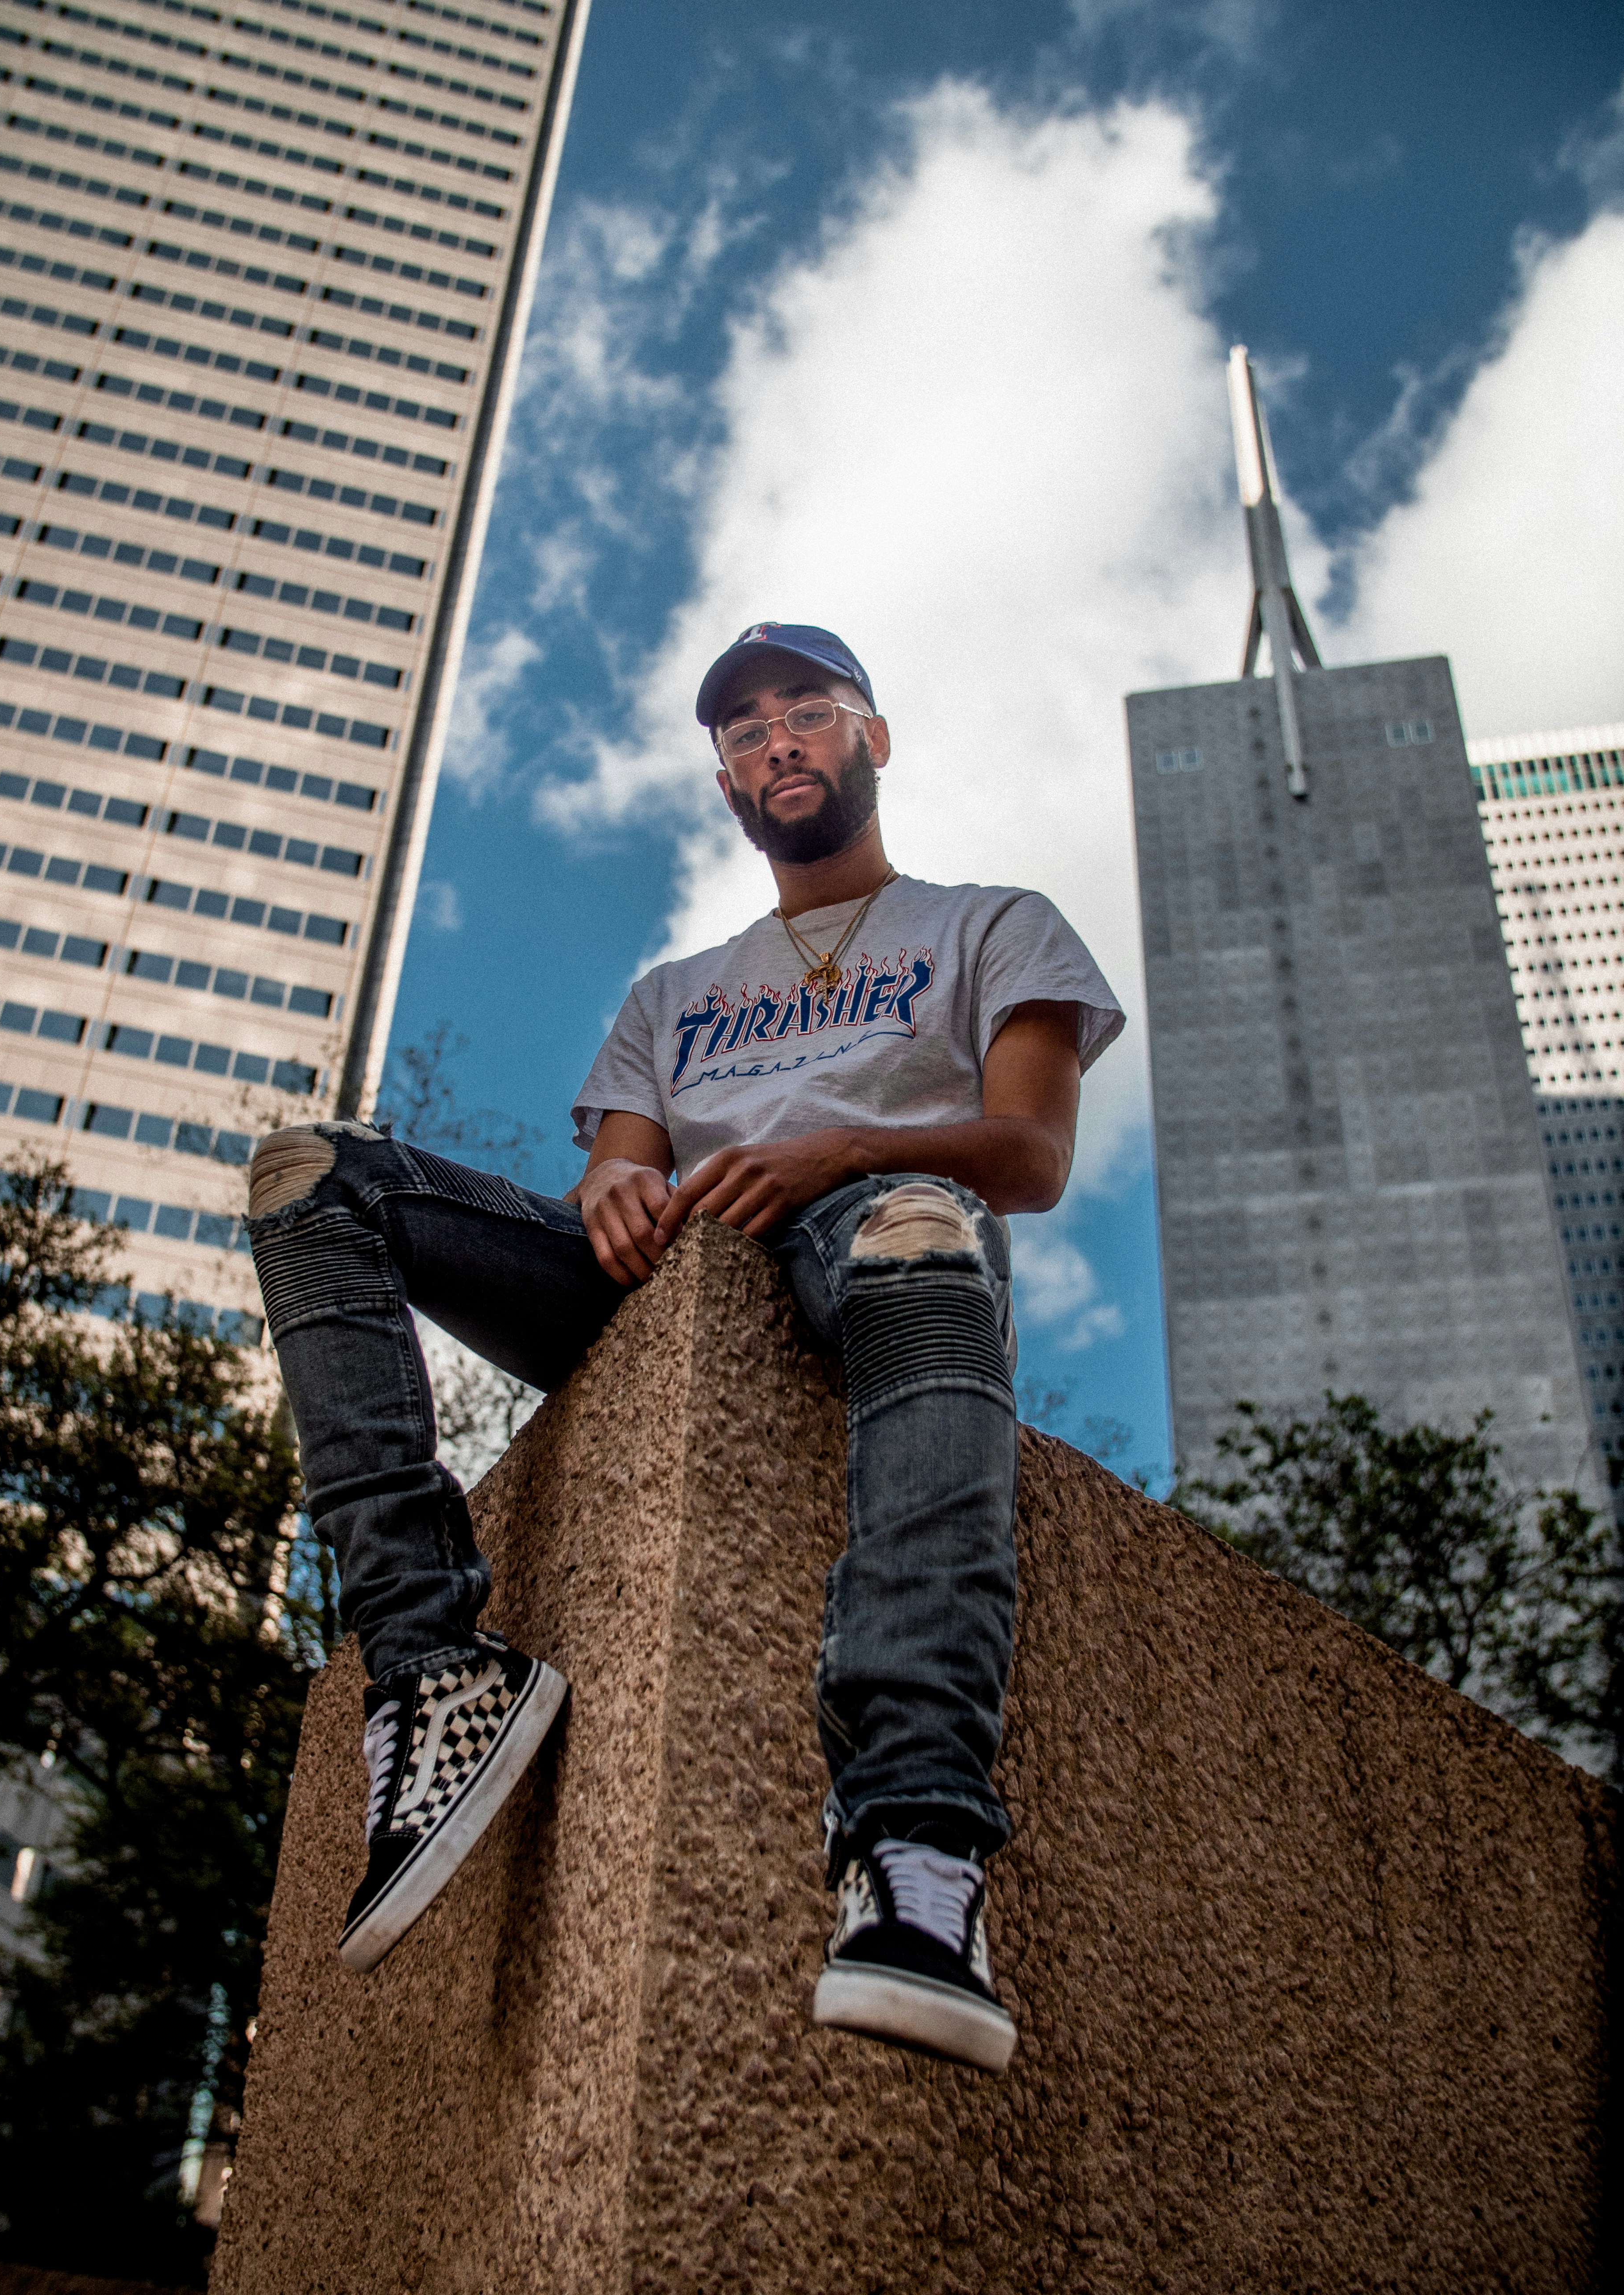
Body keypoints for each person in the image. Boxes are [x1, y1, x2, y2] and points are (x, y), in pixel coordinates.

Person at [245, 622, 1123, 2075]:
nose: (776, 739)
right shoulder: (672, 995)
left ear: (872, 739)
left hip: (877, 1239)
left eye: (810, 711)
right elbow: (618, 1168)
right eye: (743, 730)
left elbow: (1027, 1153)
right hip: (671, 1282)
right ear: (724, 780)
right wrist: (617, 1191)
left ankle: (915, 1845)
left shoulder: (992, 924)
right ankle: (432, 1670)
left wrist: (841, 1147)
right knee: (309, 1175)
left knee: (921, 1222)